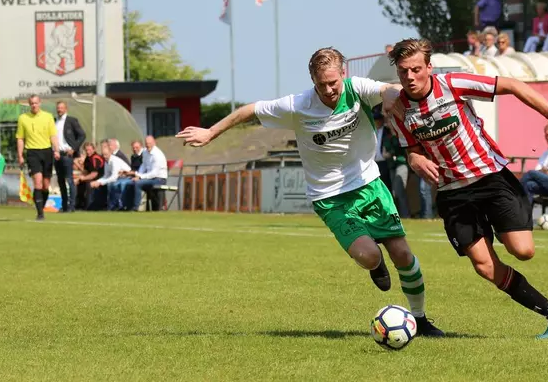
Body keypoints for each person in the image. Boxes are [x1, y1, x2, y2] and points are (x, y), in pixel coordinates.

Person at [176, 47, 445, 337]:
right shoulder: (299, 105)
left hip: (369, 185)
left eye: (333, 83)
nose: (329, 90)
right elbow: (249, 110)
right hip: (329, 197)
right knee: (368, 256)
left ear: (343, 74)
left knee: (403, 254)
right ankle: (376, 264)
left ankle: (421, 319)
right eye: (321, 85)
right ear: (312, 80)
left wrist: (393, 97)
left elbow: (388, 90)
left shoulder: (356, 89)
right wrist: (209, 133)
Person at [387, 38, 548, 339]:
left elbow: (513, 85)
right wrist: (414, 160)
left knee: (523, 251)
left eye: (415, 70)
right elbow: (411, 148)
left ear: (429, 67)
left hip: (491, 178)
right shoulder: (398, 108)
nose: (409, 77)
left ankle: (503, 227)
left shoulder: (453, 84)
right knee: (484, 266)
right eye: (403, 72)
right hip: (453, 194)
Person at [16, 95, 59, 220]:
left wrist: (56, 150)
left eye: (36, 103)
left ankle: (41, 206)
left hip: (47, 152)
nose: (34, 105)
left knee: (46, 185)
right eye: (31, 103)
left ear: (40, 103)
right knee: (38, 182)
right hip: (32, 152)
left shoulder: (48, 117)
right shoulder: (23, 118)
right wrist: (20, 156)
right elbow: (20, 138)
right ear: (29, 105)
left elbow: (53, 135)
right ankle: (40, 213)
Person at [54, 101, 86, 213]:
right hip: (57, 154)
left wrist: (74, 148)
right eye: (58, 108)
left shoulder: (71, 120)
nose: (59, 110)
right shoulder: (54, 121)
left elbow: (82, 135)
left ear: (66, 109)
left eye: (61, 108)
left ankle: (72, 205)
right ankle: (64, 205)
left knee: (69, 180)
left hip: (67, 154)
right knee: (60, 181)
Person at [129, 135, 168, 211]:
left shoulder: (158, 155)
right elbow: (144, 165)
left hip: (159, 179)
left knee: (138, 183)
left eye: (149, 143)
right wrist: (138, 174)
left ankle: (136, 207)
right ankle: (129, 206)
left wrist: (140, 177)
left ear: (154, 143)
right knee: (131, 182)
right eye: (146, 143)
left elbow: (154, 173)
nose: (147, 145)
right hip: (151, 178)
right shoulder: (145, 152)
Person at [90, 140, 132, 210]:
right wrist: (97, 182)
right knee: (100, 186)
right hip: (118, 178)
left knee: (112, 184)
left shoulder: (114, 161)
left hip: (127, 177)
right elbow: (106, 176)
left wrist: (100, 182)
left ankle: (117, 206)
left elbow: (114, 177)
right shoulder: (106, 161)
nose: (104, 157)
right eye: (103, 155)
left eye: (106, 155)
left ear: (110, 153)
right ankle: (101, 205)